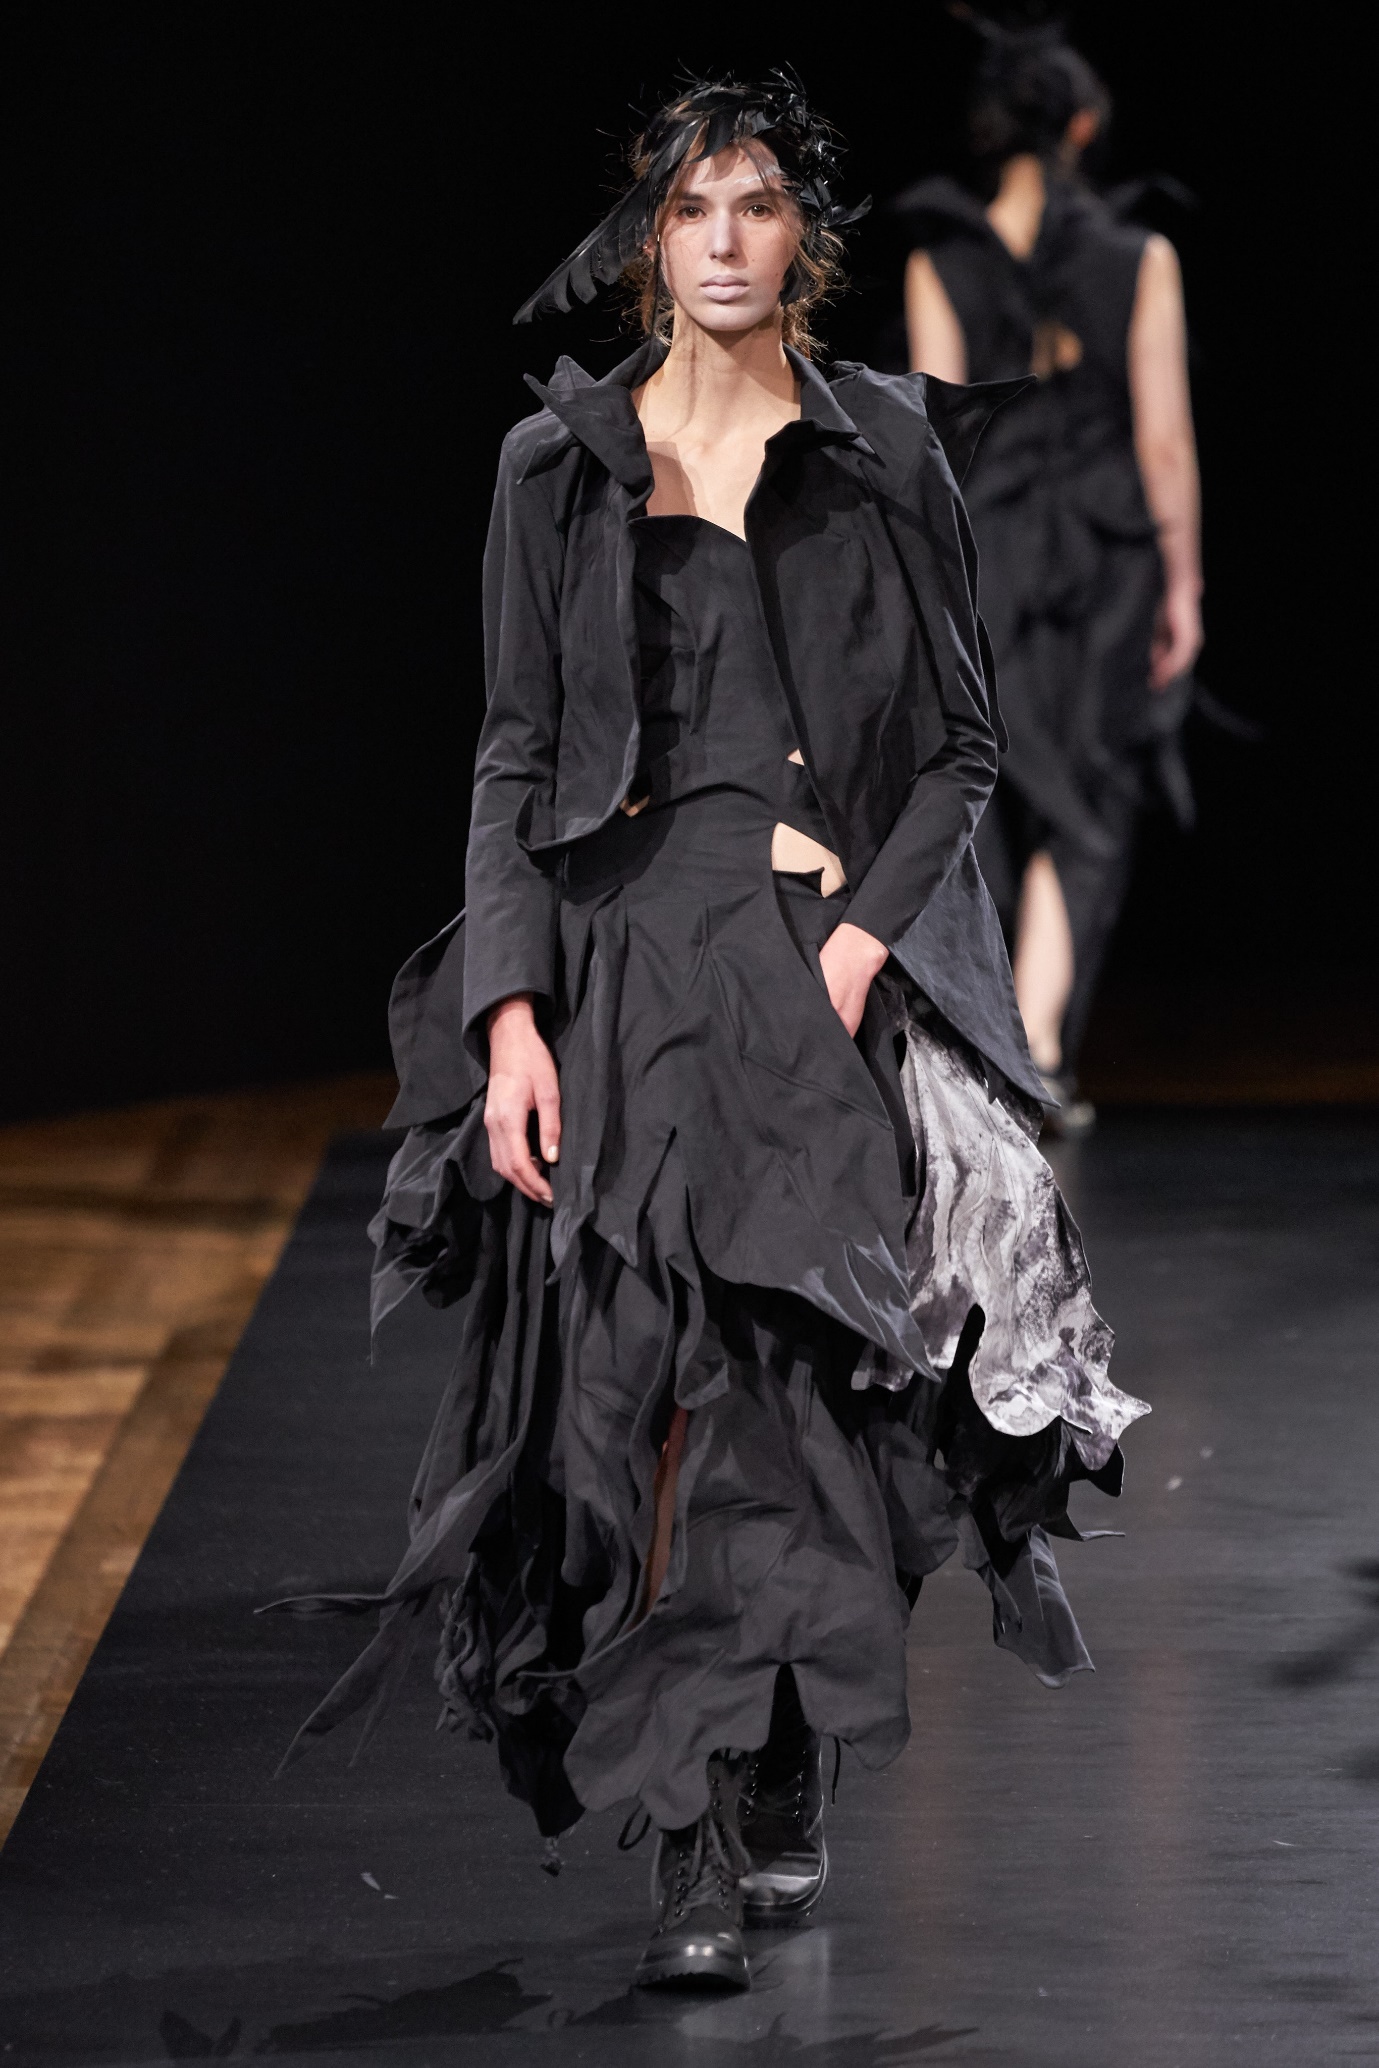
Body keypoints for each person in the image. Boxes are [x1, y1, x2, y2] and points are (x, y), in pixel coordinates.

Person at [271, 73, 1146, 1994]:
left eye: (755, 204)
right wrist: (508, 1010)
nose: (724, 240)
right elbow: (514, 756)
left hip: (805, 965)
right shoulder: (555, 466)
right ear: (645, 239)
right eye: (690, 207)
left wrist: (860, 942)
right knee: (636, 1389)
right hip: (620, 972)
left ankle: (775, 1744)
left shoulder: (881, 450)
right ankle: (683, 1815)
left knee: (805, 1386)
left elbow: (966, 743)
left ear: (801, 234)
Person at [900, 19, 1203, 1121]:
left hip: (990, 552)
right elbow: (1162, 440)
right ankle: (1030, 1044)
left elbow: (934, 441)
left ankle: (1010, 1048)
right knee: (1089, 790)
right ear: (1080, 126)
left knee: (1002, 789)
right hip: (1110, 551)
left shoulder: (938, 260)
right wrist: (1183, 584)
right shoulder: (1141, 258)